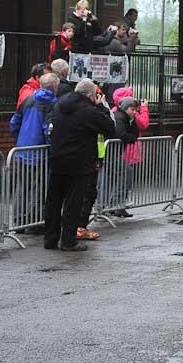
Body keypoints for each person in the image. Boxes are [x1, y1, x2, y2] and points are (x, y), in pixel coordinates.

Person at [44, 79, 115, 252]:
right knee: (73, 202)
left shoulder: (59, 104)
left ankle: (50, 239)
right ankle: (68, 240)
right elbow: (110, 128)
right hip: (79, 161)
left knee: (53, 201)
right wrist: (100, 107)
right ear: (92, 95)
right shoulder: (88, 111)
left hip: (57, 157)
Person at [9, 73, 59, 233]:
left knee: (22, 186)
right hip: (40, 151)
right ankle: (35, 221)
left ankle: (19, 221)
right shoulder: (52, 103)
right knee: (39, 187)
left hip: (23, 149)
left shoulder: (28, 99)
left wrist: (20, 140)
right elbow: (49, 130)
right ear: (55, 87)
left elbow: (14, 122)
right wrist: (52, 147)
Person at [107, 88, 149, 218]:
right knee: (124, 175)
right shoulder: (120, 116)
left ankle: (117, 205)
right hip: (122, 151)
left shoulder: (126, 115)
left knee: (121, 177)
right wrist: (144, 109)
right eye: (133, 109)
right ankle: (116, 205)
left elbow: (135, 131)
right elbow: (142, 125)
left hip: (123, 150)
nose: (135, 111)